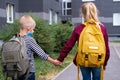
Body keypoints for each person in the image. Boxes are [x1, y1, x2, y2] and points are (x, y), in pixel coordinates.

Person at [55, 2, 110, 80]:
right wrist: (104, 62)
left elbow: (69, 45)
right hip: (98, 60)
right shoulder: (102, 28)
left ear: (83, 14)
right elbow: (106, 48)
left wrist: (60, 59)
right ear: (95, 12)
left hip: (84, 60)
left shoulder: (79, 28)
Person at [18, 15, 60, 80]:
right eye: (33, 29)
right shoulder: (29, 39)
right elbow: (42, 54)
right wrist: (54, 62)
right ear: (29, 28)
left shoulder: (14, 38)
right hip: (28, 73)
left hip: (16, 72)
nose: (33, 31)